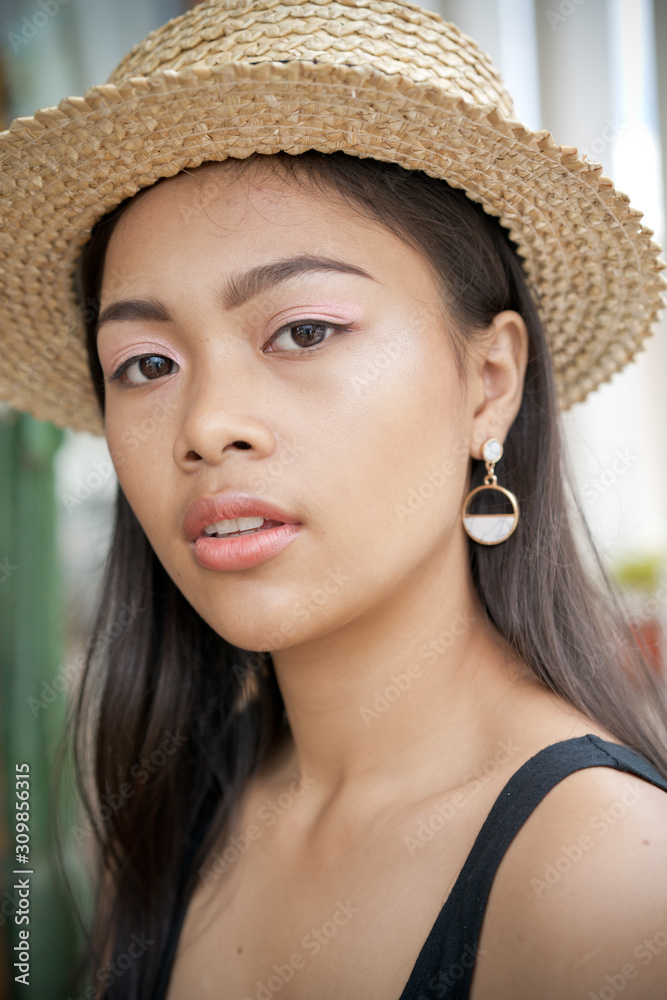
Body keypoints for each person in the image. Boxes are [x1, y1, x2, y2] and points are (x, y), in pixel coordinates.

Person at [1, 1, 667, 998]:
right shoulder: (180, 809)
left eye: (303, 332)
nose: (206, 423)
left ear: (488, 381)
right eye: (145, 361)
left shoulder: (607, 880)